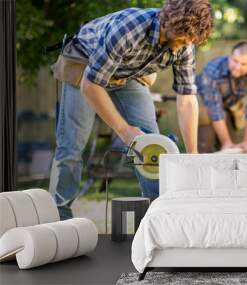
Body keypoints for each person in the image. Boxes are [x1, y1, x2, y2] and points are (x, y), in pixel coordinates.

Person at [49, 0, 213, 220]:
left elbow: (187, 99)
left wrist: (192, 154)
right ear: (169, 23)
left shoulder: (186, 44)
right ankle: (59, 216)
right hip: (85, 66)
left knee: (151, 143)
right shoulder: (128, 29)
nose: (185, 44)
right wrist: (124, 130)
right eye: (182, 38)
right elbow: (91, 85)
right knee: (72, 145)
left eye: (190, 41)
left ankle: (157, 214)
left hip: (128, 75)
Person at [195, 42, 247, 153]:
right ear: (230, 57)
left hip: (228, 103)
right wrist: (226, 142)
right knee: (207, 145)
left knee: (232, 148)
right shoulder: (213, 70)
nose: (238, 67)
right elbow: (215, 109)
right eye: (235, 61)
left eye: (243, 64)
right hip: (202, 100)